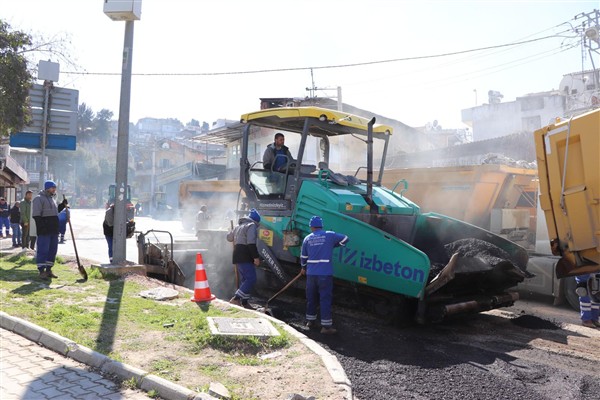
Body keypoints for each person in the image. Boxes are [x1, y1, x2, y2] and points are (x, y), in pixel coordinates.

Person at [301, 215, 349, 334]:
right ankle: (326, 327)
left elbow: (303, 257)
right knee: (325, 299)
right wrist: (335, 245)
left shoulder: (307, 238)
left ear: (311, 227)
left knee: (311, 297)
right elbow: (345, 238)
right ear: (321, 225)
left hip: (311, 274)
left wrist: (303, 267)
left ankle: (310, 321)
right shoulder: (329, 235)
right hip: (325, 274)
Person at [226, 208, 261, 309]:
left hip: (237, 254)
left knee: (245, 279)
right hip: (245, 254)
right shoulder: (252, 225)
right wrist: (256, 257)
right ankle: (236, 298)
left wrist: (230, 230)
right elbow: (251, 243)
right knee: (251, 279)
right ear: (256, 221)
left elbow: (229, 238)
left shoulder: (238, 226)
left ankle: (244, 302)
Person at [32, 181, 60, 280]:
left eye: (55, 188)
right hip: (44, 230)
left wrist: (61, 206)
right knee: (43, 250)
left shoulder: (52, 199)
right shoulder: (38, 199)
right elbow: (36, 215)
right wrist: (42, 228)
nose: (54, 190)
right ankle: (41, 271)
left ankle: (49, 270)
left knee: (52, 250)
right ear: (47, 188)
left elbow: (53, 213)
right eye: (52, 188)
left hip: (53, 230)